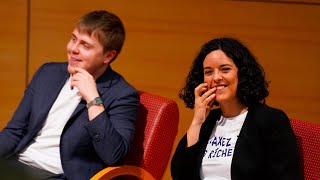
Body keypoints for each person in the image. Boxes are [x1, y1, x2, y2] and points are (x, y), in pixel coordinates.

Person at [0, 10, 140, 180]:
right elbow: (14, 131)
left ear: (108, 56)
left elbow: (114, 156)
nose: (73, 49)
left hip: (59, 175)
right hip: (17, 165)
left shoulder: (122, 95)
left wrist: (93, 99)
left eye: (85, 45)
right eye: (74, 39)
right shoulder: (48, 73)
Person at [171, 37, 302, 180]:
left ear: (242, 73)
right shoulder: (207, 122)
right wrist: (197, 121)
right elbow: (180, 175)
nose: (216, 78)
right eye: (208, 72)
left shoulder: (270, 120)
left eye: (225, 69)